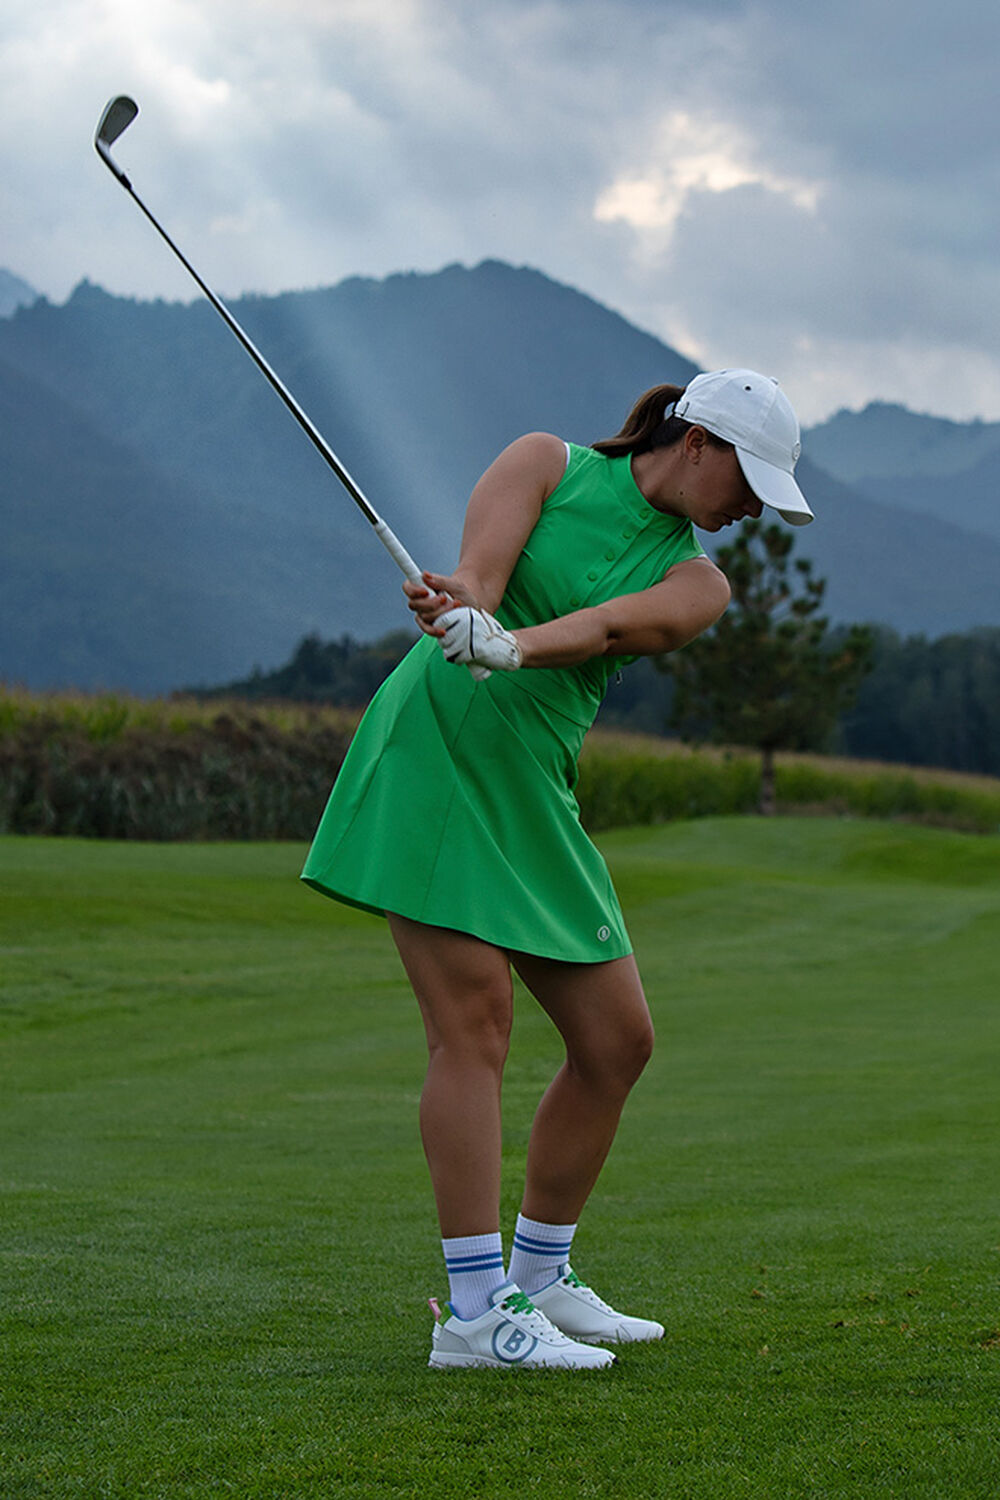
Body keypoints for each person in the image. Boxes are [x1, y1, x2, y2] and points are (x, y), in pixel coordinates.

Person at [301, 368, 813, 1370]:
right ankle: (473, 1313)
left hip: (534, 778)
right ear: (697, 441)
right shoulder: (543, 462)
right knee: (474, 1026)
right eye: (746, 480)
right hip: (438, 753)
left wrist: (510, 645)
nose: (751, 507)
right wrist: (465, 613)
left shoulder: (697, 580)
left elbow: (615, 628)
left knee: (616, 1040)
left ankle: (540, 1277)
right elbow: (479, 581)